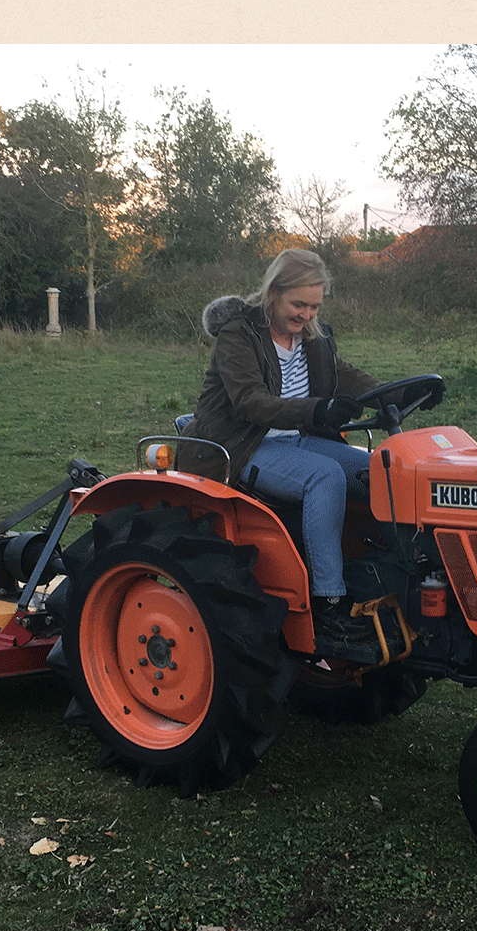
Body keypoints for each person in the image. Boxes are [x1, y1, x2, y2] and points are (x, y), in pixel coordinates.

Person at [184, 248, 440, 660]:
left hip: (296, 439)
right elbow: (251, 402)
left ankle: (401, 577)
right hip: (244, 445)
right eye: (298, 304)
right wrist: (317, 409)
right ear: (273, 293)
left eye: (314, 306)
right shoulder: (240, 335)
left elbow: (347, 377)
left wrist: (404, 391)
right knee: (327, 477)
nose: (305, 314)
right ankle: (330, 602)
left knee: (378, 470)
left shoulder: (313, 338)